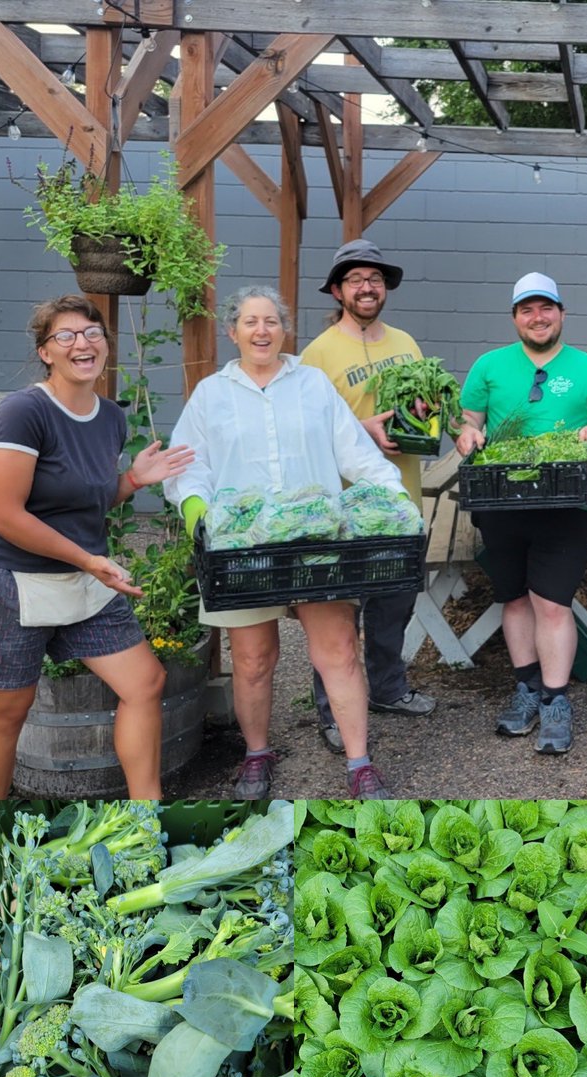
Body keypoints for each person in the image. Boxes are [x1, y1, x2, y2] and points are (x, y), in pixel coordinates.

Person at [163, 285, 412, 802]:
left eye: (271, 321)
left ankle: (360, 763)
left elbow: (354, 452)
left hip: (317, 541)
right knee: (253, 659)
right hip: (243, 547)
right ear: (232, 332)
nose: (261, 331)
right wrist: (197, 514)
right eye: (250, 322)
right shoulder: (212, 394)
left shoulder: (313, 384)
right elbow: (189, 465)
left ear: (284, 329)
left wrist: (392, 495)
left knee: (339, 651)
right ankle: (256, 754)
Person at [0, 295, 193, 801]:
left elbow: (83, 499)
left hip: (85, 577)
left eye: (91, 333)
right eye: (66, 335)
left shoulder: (109, 418)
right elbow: (4, 514)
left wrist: (129, 481)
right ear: (46, 351)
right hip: (18, 582)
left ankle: (146, 817)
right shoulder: (23, 412)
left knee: (144, 683)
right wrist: (89, 560)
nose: (82, 343)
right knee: (7, 713)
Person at [454, 272, 587, 754]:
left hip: (565, 503)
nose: (538, 317)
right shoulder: (490, 365)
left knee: (552, 602)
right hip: (502, 501)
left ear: (561, 313)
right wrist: (466, 435)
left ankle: (555, 698)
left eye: (546, 307)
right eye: (527, 309)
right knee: (514, 599)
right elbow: (469, 421)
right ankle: (526, 687)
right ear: (515, 318)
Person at [302, 238, 437, 755]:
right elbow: (306, 431)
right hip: (342, 506)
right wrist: (360, 431)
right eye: (356, 279)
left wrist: (423, 417)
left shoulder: (405, 342)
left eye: (375, 279)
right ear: (338, 291)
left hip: (401, 498)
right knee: (336, 613)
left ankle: (387, 688)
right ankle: (332, 709)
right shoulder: (317, 354)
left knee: (394, 603)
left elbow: (427, 410)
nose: (367, 286)